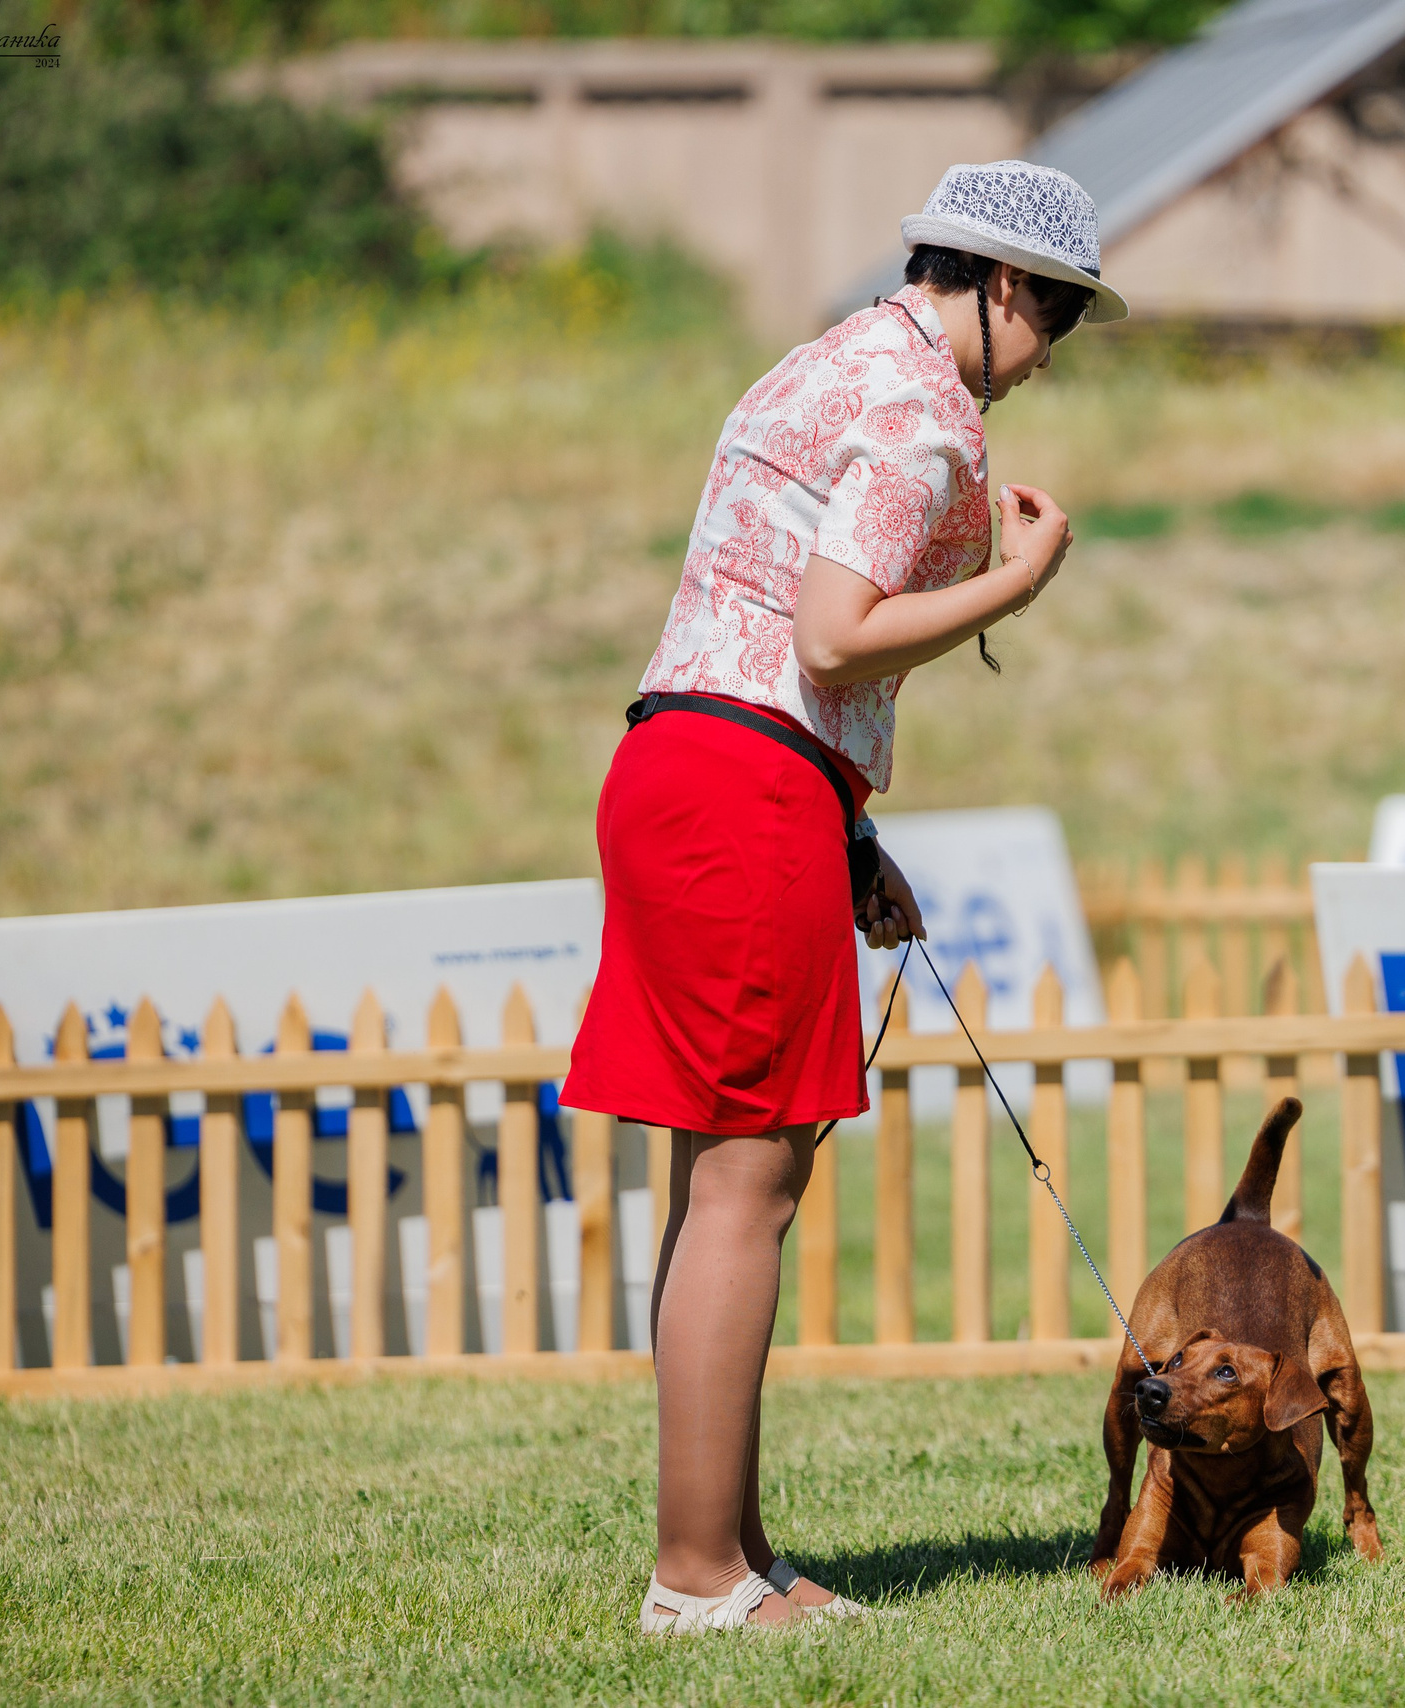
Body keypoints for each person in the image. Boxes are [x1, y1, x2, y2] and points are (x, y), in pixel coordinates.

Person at [559, 161, 1128, 1634]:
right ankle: (696, 1580)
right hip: (745, 786)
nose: (1054, 348)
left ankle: (735, 1557)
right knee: (754, 1181)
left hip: (691, 765)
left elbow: (757, 625)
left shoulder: (823, 363)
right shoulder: (928, 416)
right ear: (1002, 285)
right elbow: (832, 634)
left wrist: (846, 834)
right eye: (1055, 310)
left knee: (720, 1177)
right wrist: (1019, 583)